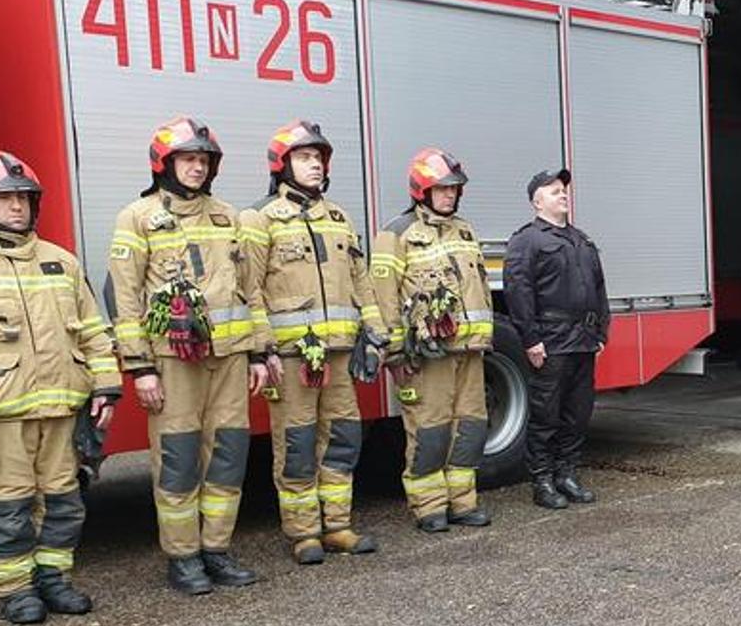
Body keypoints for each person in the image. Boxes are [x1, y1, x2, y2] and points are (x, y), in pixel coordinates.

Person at [0, 151, 122, 623]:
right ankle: (15, 590)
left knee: (64, 502)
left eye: (23, 197)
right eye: (4, 198)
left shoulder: (60, 261)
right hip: (0, 414)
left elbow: (93, 331)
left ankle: (54, 579)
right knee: (9, 508)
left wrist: (106, 387)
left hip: (61, 410)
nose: (16, 207)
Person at [109, 116, 271, 595]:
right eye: (187, 159)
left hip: (230, 358)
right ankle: (183, 558)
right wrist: (138, 367)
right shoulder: (136, 218)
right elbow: (126, 298)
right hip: (174, 362)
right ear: (165, 163)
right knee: (178, 460)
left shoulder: (229, 217)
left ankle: (216, 550)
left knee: (227, 456)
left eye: (203, 160)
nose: (197, 168)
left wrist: (260, 351)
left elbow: (250, 290)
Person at [238, 121, 387, 564]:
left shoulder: (339, 218)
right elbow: (251, 291)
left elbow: (362, 283)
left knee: (343, 438)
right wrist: (262, 348)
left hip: (339, 354)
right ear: (282, 165)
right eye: (304, 157)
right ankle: (303, 533)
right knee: (297, 444)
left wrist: (376, 334)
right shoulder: (258, 219)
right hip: (292, 359)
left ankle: (338, 525)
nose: (315, 164)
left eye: (319, 157)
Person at [372, 148, 496, 533]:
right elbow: (383, 296)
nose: (449, 195)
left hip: (469, 351)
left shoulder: (465, 230)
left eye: (454, 189)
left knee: (471, 427)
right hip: (427, 355)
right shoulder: (396, 234)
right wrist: (394, 351)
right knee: (430, 430)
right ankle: (428, 506)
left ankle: (463, 502)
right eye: (441, 189)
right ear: (421, 190)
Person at [504, 168, 609, 510]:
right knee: (545, 415)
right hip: (551, 340)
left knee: (577, 414)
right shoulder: (527, 241)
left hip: (582, 340)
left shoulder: (581, 240)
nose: (562, 194)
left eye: (563, 190)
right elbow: (519, 293)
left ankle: (567, 474)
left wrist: (601, 333)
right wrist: (531, 340)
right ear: (537, 201)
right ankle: (543, 481)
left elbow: (599, 288)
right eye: (553, 191)